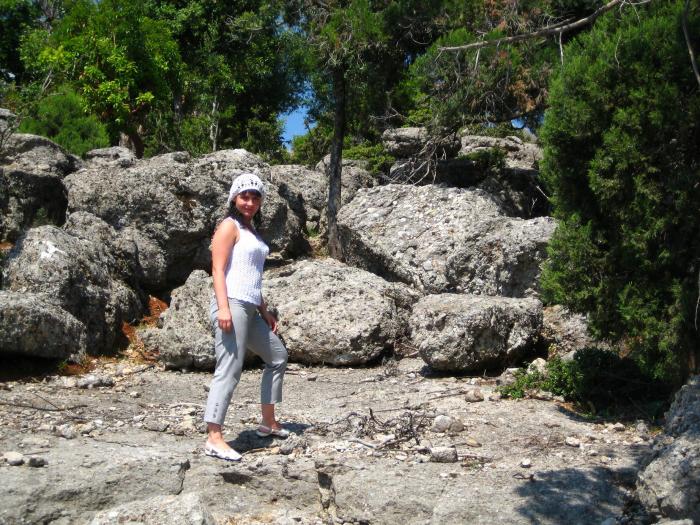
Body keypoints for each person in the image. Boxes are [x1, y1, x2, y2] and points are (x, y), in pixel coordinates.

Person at [203, 172, 289, 462]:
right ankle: (214, 437)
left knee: (277, 356)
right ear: (234, 198)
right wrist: (223, 307)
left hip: (251, 308)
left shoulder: (251, 230)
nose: (249, 202)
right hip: (232, 304)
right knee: (230, 367)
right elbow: (217, 269)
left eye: (255, 197)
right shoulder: (229, 226)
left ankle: (268, 422)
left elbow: (252, 276)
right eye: (244, 197)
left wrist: (264, 311)